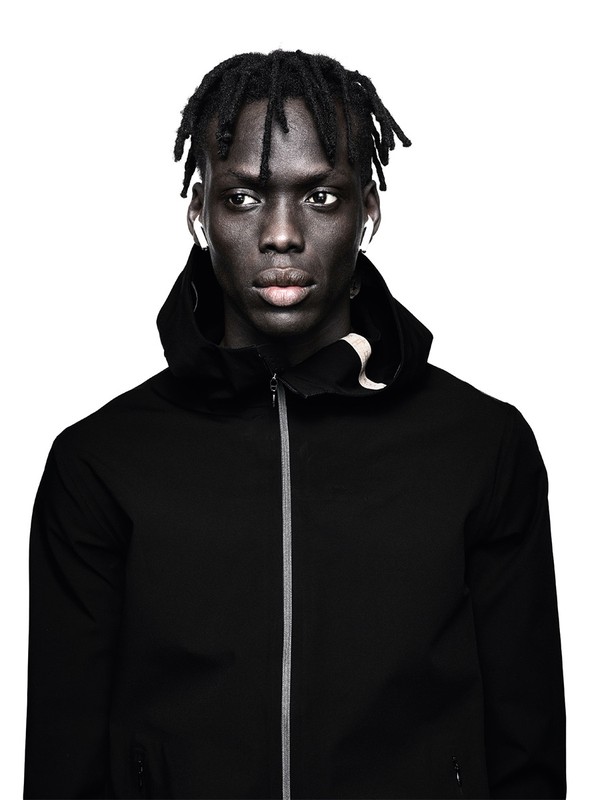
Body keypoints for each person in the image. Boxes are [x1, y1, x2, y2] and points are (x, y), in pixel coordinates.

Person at [24, 50, 566, 799]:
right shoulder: (100, 463)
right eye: (244, 197)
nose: (281, 234)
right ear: (199, 211)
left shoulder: (481, 447)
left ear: (368, 209)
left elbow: (527, 750)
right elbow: (64, 761)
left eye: (320, 196)